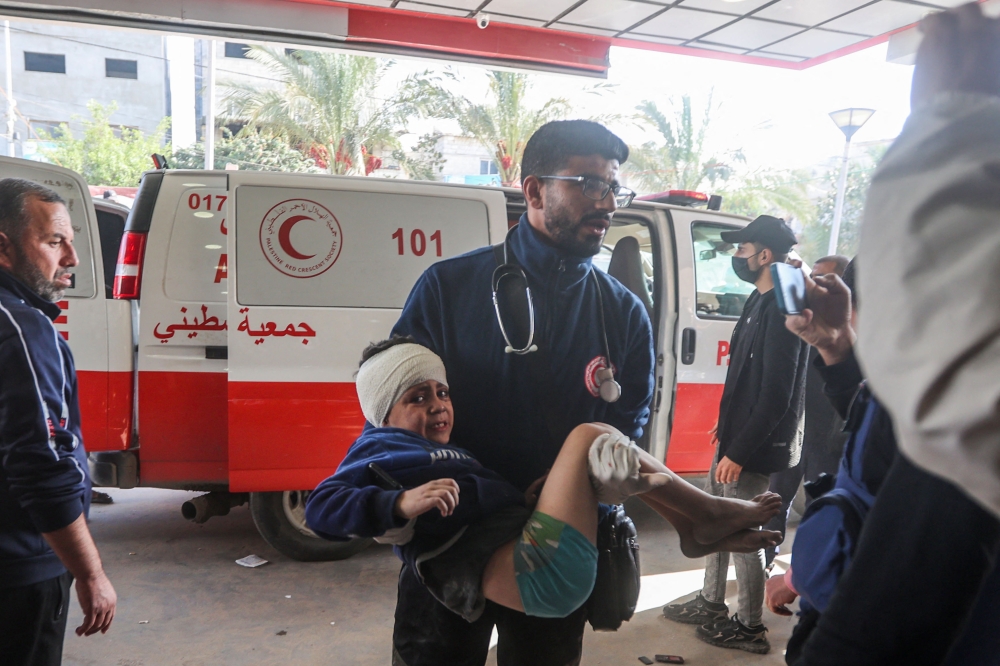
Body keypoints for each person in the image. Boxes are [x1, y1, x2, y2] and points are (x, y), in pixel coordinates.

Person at [389, 119, 779, 666]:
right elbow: (396, 412)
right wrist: (399, 500)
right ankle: (697, 515)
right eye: (590, 184)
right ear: (534, 191)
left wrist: (596, 480)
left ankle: (697, 516)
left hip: (559, 536)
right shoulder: (448, 288)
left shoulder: (623, 311)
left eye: (614, 187)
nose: (608, 202)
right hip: (453, 534)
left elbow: (628, 423)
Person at [792, 4, 1000, 664]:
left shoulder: (970, 425)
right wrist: (840, 351)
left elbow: (887, 621)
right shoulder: (950, 393)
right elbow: (893, 441)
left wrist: (956, 121)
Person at [305, 339, 779, 626]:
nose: (437, 405)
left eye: (442, 392)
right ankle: (706, 512)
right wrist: (397, 504)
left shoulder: (441, 451)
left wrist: (530, 498)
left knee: (596, 442)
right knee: (588, 434)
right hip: (534, 572)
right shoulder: (380, 448)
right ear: (383, 413)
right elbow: (320, 508)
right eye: (417, 397)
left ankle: (691, 527)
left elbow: (480, 509)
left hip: (534, 559)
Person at [664, 215, 809, 655]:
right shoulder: (757, 300)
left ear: (764, 255)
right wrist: (726, 424)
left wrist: (741, 450)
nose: (735, 256)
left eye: (741, 249)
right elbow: (745, 375)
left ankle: (748, 625)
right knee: (714, 517)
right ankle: (711, 601)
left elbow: (777, 395)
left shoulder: (783, 308)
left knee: (746, 532)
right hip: (739, 433)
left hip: (758, 445)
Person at [0, 178, 117, 665]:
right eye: (54, 242)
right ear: (4, 247)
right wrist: (90, 574)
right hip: (18, 573)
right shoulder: (21, 328)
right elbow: (41, 464)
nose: (71, 259)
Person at [763, 255, 850, 569]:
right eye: (812, 276)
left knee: (818, 507)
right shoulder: (803, 325)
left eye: (822, 279)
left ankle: (804, 570)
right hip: (795, 431)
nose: (812, 284)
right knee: (775, 500)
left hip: (826, 439)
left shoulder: (848, 335)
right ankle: (765, 561)